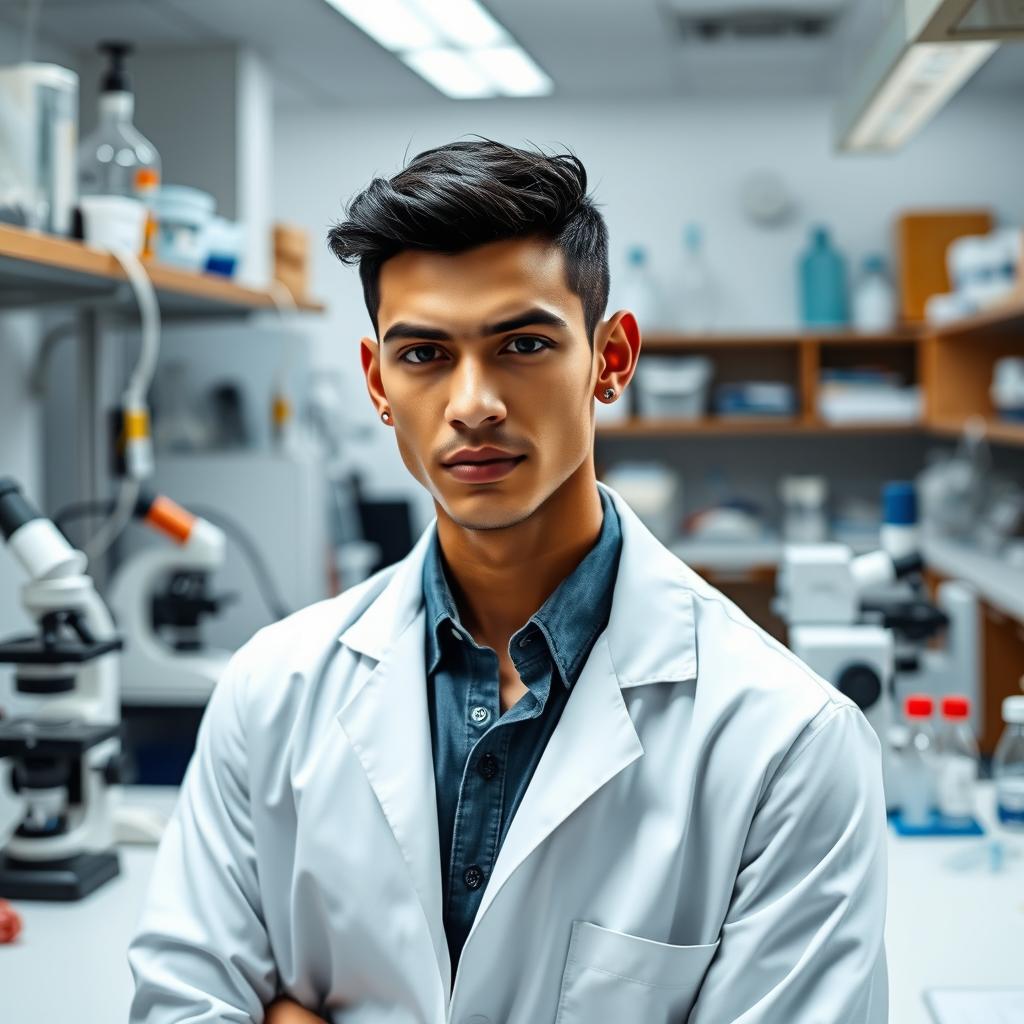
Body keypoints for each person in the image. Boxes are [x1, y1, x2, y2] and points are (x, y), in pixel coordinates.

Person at [128, 139, 887, 1023]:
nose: (473, 402)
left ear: (611, 359)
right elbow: (181, 1006)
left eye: (523, 343)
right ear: (377, 380)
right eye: (423, 355)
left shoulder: (788, 741)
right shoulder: (271, 689)